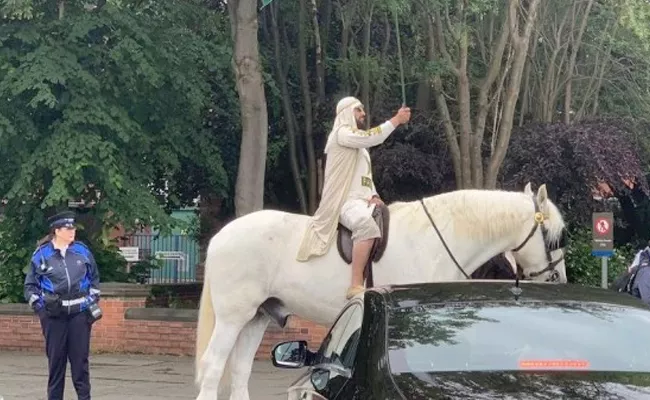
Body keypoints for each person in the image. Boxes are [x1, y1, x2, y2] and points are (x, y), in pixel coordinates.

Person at [296, 96, 411, 299]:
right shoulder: (342, 134)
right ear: (347, 112)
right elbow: (372, 137)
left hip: (362, 200)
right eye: (359, 110)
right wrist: (395, 120)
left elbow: (364, 177)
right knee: (366, 226)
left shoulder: (359, 147)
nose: (363, 114)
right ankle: (356, 284)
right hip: (344, 201)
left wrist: (373, 194)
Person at [24, 210, 102, 400]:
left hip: (79, 315)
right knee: (56, 364)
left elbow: (94, 280)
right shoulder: (42, 255)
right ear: (56, 231)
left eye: (73, 228)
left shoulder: (82, 251)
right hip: (54, 316)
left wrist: (90, 303)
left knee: (80, 365)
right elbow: (30, 287)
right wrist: (41, 310)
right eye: (68, 229)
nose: (72, 231)